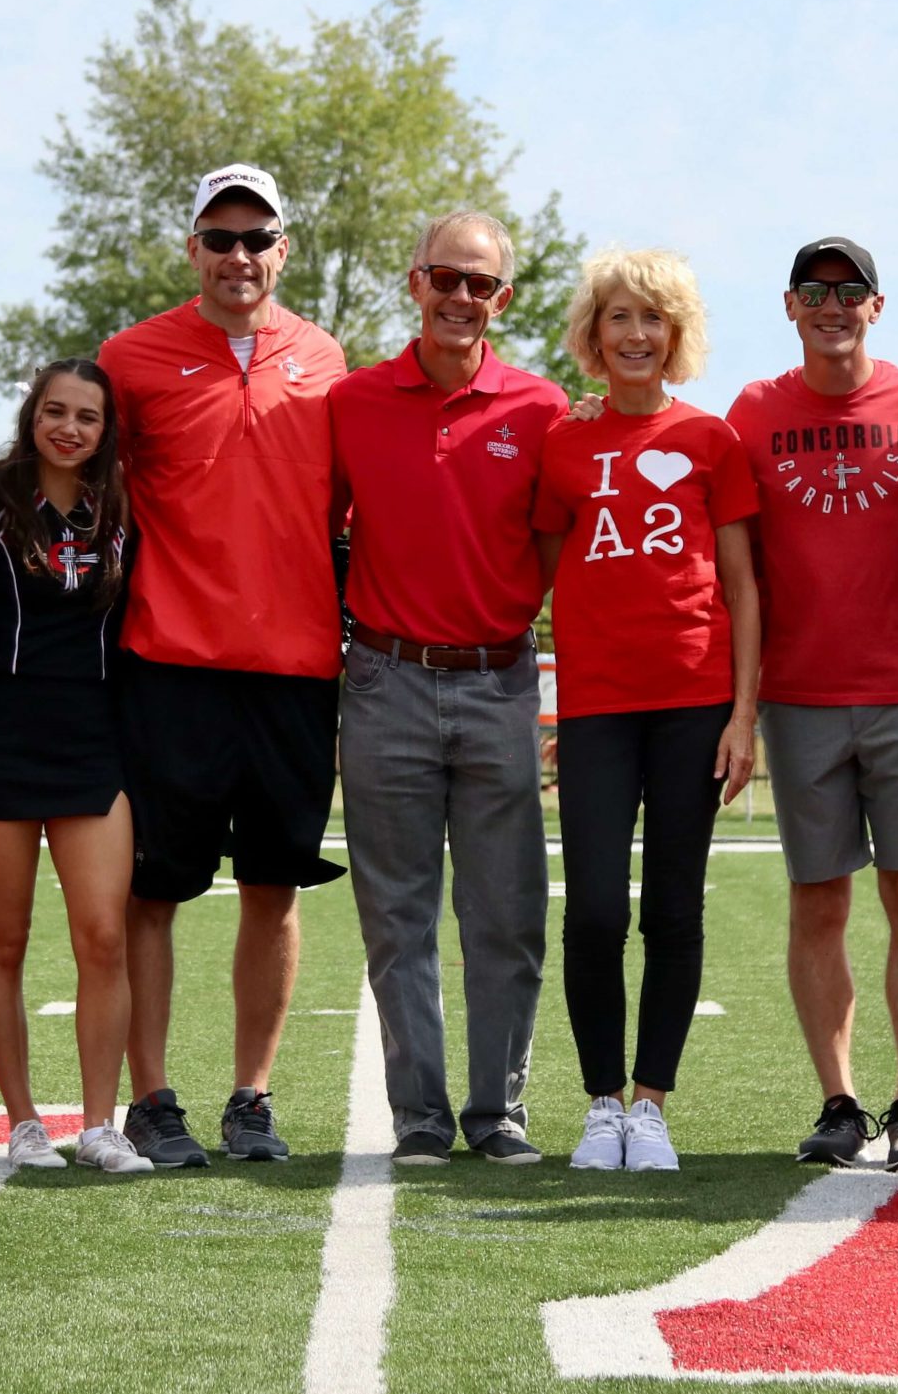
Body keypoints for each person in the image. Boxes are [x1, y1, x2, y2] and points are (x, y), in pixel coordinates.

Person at [100, 164, 348, 1166]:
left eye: (257, 237)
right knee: (152, 891)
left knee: (272, 888)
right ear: (192, 247)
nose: (238, 255)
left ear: (284, 250)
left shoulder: (327, 359)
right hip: (169, 662)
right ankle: (151, 1096)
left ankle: (251, 1095)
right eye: (220, 236)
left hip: (294, 666)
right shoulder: (130, 358)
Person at [726, 237, 898, 1173]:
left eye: (851, 290)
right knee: (817, 899)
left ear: (878, 305)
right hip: (800, 693)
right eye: (815, 292)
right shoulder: (753, 410)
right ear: (790, 306)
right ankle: (838, 1100)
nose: (834, 305)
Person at [331, 212, 565, 1166]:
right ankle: (420, 1117)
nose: (462, 297)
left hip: (500, 678)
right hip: (382, 678)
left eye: (481, 284)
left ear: (502, 298)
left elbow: (559, 553)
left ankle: (497, 1110)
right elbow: (315, 531)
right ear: (414, 282)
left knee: (505, 912)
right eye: (446, 278)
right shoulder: (350, 402)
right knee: (398, 916)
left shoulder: (542, 409)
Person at [535, 249, 760, 1173]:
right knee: (592, 910)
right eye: (619, 317)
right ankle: (598, 1104)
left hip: (694, 706)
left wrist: (742, 715)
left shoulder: (712, 441)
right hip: (594, 708)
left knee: (673, 909)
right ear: (595, 335)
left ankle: (650, 1104)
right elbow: (545, 564)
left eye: (653, 319)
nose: (636, 334)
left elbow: (744, 586)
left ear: (676, 335)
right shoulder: (564, 441)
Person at [0, 359, 152, 1176]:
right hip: (0, 738)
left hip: (95, 742)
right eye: (55, 412)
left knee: (103, 936)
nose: (69, 428)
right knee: (3, 942)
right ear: (32, 415)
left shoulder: (125, 504)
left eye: (88, 417)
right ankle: (24, 1121)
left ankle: (101, 1123)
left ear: (107, 431)